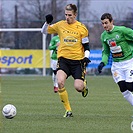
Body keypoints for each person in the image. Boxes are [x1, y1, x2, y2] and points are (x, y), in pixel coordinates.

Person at [41, 4, 91, 117]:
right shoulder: (60, 25)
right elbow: (44, 31)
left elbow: (87, 46)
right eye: (65, 15)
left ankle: (84, 86)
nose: (67, 17)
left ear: (75, 15)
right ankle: (68, 110)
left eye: (69, 15)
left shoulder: (82, 28)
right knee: (60, 82)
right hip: (63, 60)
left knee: (78, 87)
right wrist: (47, 22)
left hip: (78, 62)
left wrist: (86, 57)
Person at [98, 13, 133, 110]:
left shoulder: (122, 30)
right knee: (123, 89)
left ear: (112, 21)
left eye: (106, 23)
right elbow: (106, 52)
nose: (104, 26)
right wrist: (102, 63)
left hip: (128, 63)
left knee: (130, 86)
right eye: (102, 24)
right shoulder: (103, 36)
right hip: (117, 65)